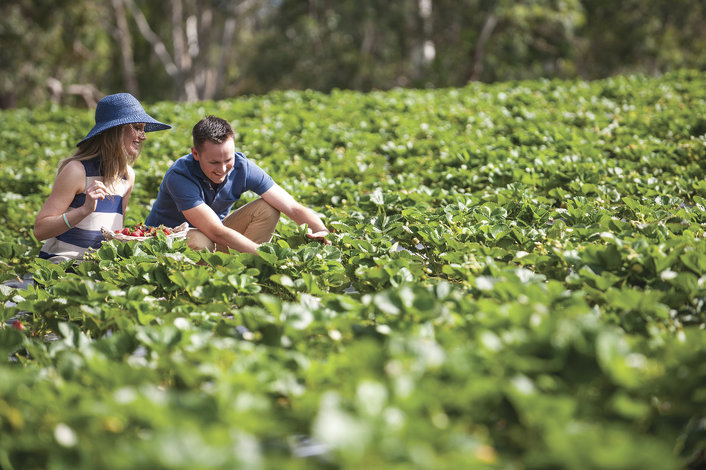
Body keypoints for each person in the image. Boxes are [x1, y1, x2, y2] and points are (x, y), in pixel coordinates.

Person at [145, 115, 330, 254]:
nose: (223, 169)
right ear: (195, 154)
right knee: (202, 242)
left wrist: (320, 230)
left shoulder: (243, 166)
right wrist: (267, 255)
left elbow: (291, 206)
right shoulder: (179, 175)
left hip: (214, 233)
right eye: (214, 163)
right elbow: (216, 232)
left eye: (228, 159)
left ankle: (246, 271)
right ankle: (210, 286)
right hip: (167, 242)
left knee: (268, 207)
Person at [34, 93, 171, 262]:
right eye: (137, 127)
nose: (144, 136)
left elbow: (112, 234)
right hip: (63, 267)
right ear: (115, 130)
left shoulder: (128, 176)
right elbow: (40, 230)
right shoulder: (77, 171)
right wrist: (84, 210)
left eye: (143, 129)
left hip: (102, 267)